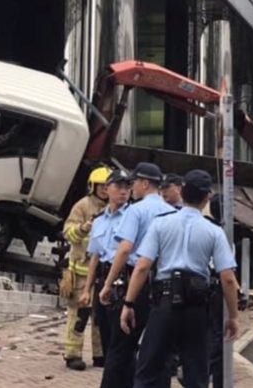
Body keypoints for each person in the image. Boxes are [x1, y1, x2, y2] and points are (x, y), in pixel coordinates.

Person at [121, 170, 240, 388]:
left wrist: (128, 303)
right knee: (197, 374)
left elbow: (143, 267)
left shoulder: (161, 224)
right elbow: (228, 278)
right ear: (207, 198)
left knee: (148, 370)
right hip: (196, 308)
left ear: (182, 192)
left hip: (164, 304)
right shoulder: (214, 232)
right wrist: (232, 316)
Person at [98, 163, 175, 388]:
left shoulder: (136, 210)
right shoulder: (172, 212)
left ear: (144, 183)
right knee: (159, 348)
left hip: (137, 282)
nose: (131, 188)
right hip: (166, 285)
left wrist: (108, 284)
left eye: (133, 183)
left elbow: (124, 249)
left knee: (121, 346)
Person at [80, 169, 133, 368]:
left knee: (123, 340)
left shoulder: (132, 216)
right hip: (104, 279)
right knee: (106, 337)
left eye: (127, 186)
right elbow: (95, 256)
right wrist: (87, 290)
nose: (124, 191)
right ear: (107, 189)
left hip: (125, 279)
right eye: (119, 186)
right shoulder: (100, 220)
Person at [61, 166, 111, 370]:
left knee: (100, 316)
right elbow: (68, 233)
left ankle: (100, 355)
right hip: (80, 272)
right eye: (101, 186)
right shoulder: (83, 206)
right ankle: (72, 354)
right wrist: (83, 228)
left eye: (108, 186)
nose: (105, 190)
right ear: (93, 186)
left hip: (102, 272)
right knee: (79, 315)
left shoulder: (115, 208)